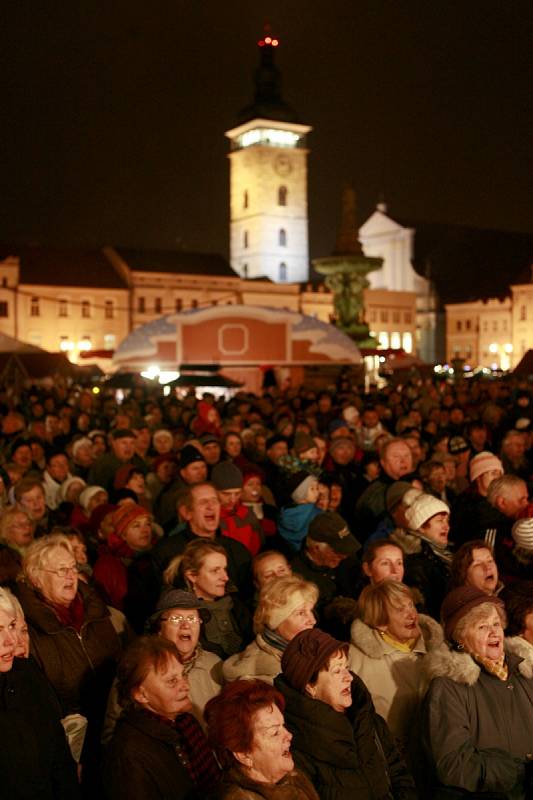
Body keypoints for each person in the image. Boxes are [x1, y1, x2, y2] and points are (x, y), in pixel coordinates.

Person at [17, 534, 122, 789]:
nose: (70, 575)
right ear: (36, 577)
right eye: (61, 570)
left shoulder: (99, 612)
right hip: (69, 742)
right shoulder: (25, 628)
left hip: (112, 729)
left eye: (73, 568)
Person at [275, 627, 417, 799]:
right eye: (337, 671)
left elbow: (399, 774)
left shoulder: (369, 720)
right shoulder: (294, 744)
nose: (349, 677)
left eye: (347, 668)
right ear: (310, 686)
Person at [423, 586, 533, 798]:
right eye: (482, 627)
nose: (494, 632)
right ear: (461, 638)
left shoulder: (524, 671)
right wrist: (519, 772)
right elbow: (452, 765)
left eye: (496, 624)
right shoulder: (448, 688)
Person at [104, 636, 220, 800]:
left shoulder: (186, 721)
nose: (185, 686)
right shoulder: (128, 756)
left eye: (183, 674)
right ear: (141, 694)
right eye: (172, 681)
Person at [348, 580, 444, 776]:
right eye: (400, 610)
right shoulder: (355, 660)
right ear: (380, 622)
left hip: (436, 761)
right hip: (391, 765)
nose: (411, 614)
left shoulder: (438, 648)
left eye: (411, 605)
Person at [0, 586, 81, 799]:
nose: (11, 640)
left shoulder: (26, 672)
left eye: (11, 626)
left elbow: (58, 753)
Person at [205, 679, 319, 800]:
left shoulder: (293, 777)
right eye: (275, 733)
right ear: (243, 754)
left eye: (283, 726)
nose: (289, 735)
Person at [164, 539, 252, 659]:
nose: (225, 577)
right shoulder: (180, 613)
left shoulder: (237, 604)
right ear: (192, 576)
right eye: (215, 571)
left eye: (224, 569)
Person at [223, 575, 318, 684]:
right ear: (276, 621)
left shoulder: (306, 650)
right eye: (301, 613)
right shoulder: (271, 674)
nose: (312, 620)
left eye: (311, 611)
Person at [93, 503, 160, 632]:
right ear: (122, 533)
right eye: (136, 525)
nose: (145, 530)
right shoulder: (108, 564)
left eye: (147, 524)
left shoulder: (157, 557)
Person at [393, 493, 453, 619]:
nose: (446, 526)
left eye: (447, 521)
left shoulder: (442, 554)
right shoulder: (414, 560)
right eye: (440, 521)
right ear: (421, 527)